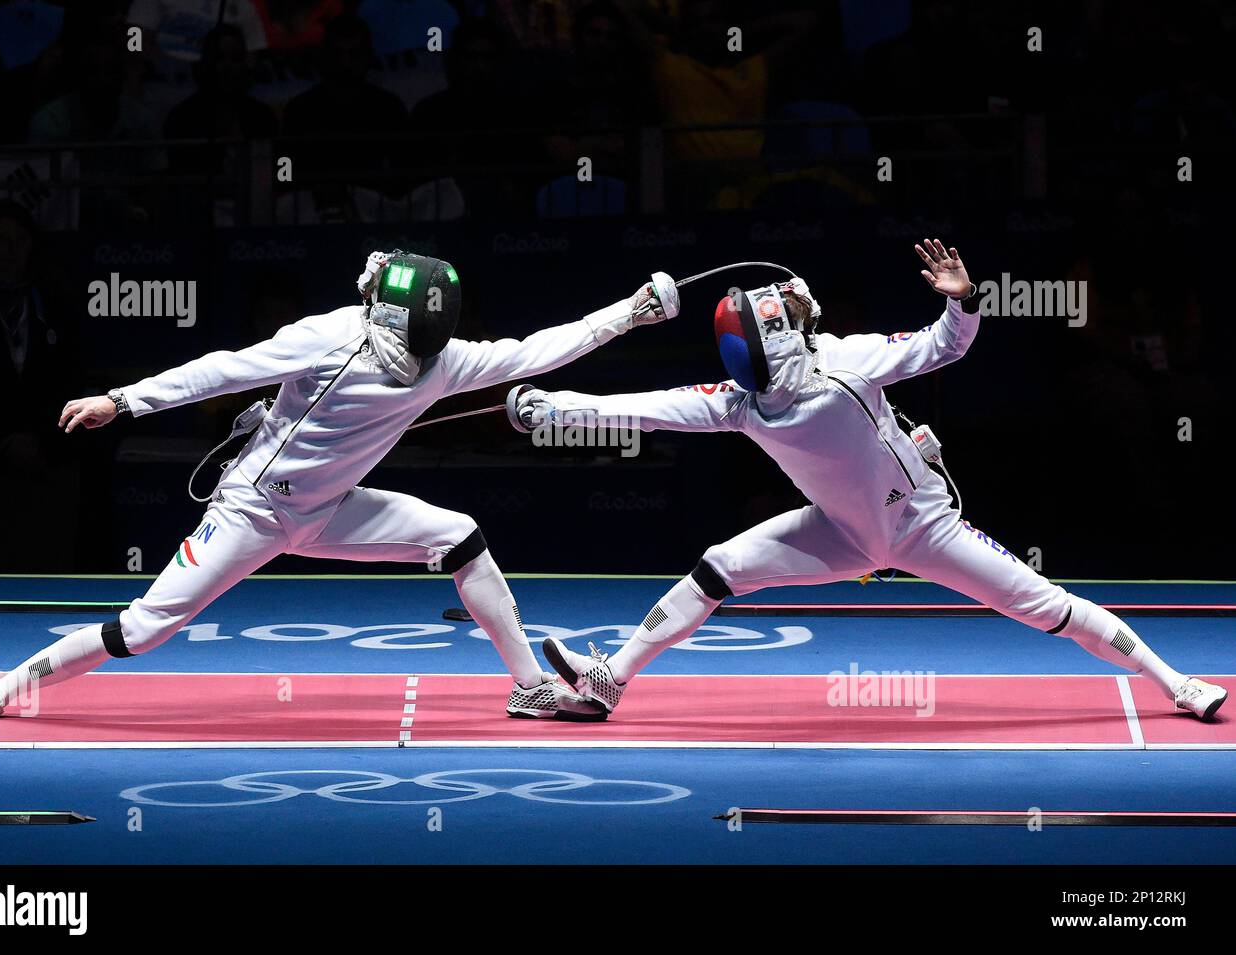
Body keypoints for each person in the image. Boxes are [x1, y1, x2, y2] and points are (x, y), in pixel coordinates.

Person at [511, 240, 1228, 722]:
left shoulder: (746, 400)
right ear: (786, 340)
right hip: (844, 531)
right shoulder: (835, 363)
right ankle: (609, 681)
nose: (799, 311)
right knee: (719, 567)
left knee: (1044, 605)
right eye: (789, 315)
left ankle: (1175, 683)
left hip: (924, 524)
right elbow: (947, 343)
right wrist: (961, 301)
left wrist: (552, 406)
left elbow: (640, 409)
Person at [0, 252, 679, 726]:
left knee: (458, 535)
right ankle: (1, 689)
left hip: (330, 512)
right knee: (140, 630)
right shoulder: (338, 338)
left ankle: (528, 684)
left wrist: (631, 310)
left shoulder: (434, 356)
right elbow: (224, 368)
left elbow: (546, 346)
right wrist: (124, 399)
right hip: (252, 511)